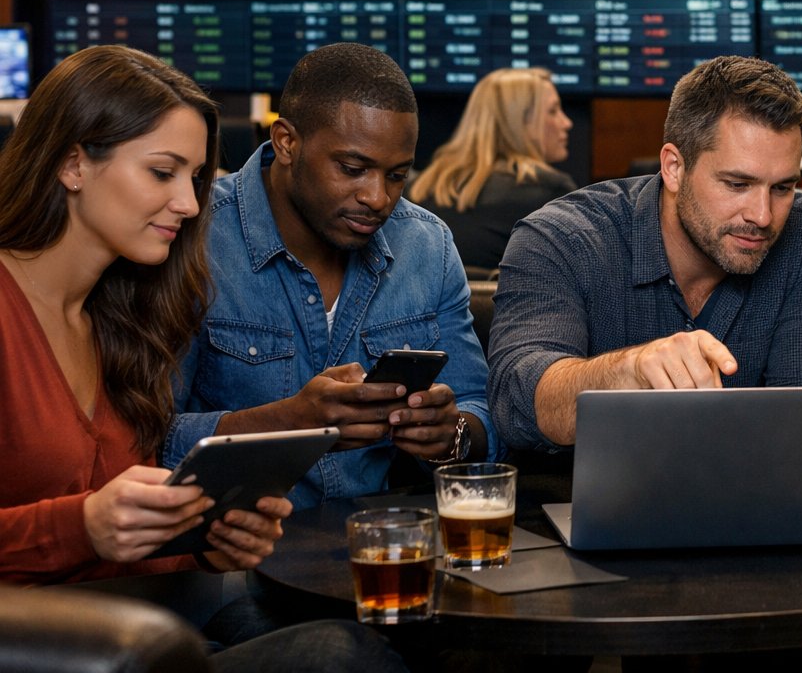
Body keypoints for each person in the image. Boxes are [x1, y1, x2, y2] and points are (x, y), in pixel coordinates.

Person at [0, 45, 405, 671]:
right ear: (72, 163)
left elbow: (125, 548)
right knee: (337, 654)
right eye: (162, 173)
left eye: (194, 179)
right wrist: (80, 525)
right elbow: (89, 532)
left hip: (146, 630)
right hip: (46, 651)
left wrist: (205, 543)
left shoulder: (120, 320)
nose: (191, 205)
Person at [168, 43, 497, 508]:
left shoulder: (427, 245)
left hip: (382, 545)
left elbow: (479, 411)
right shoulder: (191, 240)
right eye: (353, 169)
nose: (378, 197)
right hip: (229, 557)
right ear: (287, 142)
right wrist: (287, 422)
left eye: (397, 175)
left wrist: (453, 434)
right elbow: (143, 439)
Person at [488, 55, 802, 450]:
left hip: (757, 506)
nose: (763, 215)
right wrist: (627, 373)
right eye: (737, 184)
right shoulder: (563, 237)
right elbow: (517, 402)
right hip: (580, 505)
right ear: (673, 167)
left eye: (783, 188)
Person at [408, 66, 578, 271]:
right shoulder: (552, 192)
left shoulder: (416, 187)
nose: (566, 122)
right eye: (553, 111)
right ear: (519, 122)